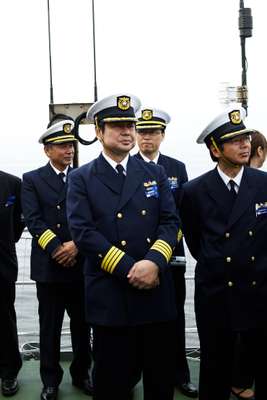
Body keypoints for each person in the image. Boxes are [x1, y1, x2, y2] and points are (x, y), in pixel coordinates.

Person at [66, 94, 179, 400]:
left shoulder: (154, 172)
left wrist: (154, 262)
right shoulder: (81, 178)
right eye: (117, 125)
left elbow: (171, 222)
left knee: (159, 382)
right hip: (111, 295)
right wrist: (132, 268)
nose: (127, 131)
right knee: (112, 382)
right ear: (99, 132)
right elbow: (83, 232)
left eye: (130, 124)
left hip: (155, 290)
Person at [180, 106, 267, 400]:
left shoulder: (263, 184)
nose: (245, 145)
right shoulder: (194, 191)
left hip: (259, 290)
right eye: (235, 140)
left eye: (246, 138)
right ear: (215, 149)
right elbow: (195, 241)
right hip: (217, 292)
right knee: (215, 370)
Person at [21, 120, 92, 400]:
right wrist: (57, 248)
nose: (69, 150)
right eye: (62, 146)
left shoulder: (83, 176)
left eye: (71, 145)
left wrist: (75, 246)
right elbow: (34, 221)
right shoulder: (32, 179)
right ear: (47, 150)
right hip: (50, 267)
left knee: (82, 324)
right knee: (49, 327)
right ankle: (50, 381)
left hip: (80, 263)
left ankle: (81, 374)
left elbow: (91, 215)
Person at [134, 107, 198, 398]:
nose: (147, 137)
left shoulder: (176, 168)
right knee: (138, 322)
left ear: (162, 135)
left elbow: (181, 212)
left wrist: (169, 247)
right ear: (135, 134)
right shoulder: (126, 166)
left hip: (172, 256)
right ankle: (136, 376)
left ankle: (179, 374)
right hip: (138, 259)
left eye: (153, 132)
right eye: (142, 131)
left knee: (174, 318)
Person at [231, 131, 267, 400]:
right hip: (242, 276)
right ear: (261, 152)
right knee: (246, 335)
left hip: (256, 275)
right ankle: (240, 380)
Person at [0, 170, 24, 396]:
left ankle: (8, 371)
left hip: (2, 264)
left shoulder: (12, 184)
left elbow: (18, 224)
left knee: (5, 318)